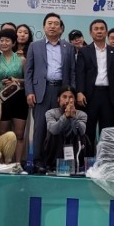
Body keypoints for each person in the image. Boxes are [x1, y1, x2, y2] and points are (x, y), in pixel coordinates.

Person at [25, 13, 75, 169]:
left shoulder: (68, 47)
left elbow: (72, 72)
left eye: (56, 24)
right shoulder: (34, 46)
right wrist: (29, 92)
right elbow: (28, 72)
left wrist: (71, 95)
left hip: (61, 92)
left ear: (61, 28)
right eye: (49, 23)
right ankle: (38, 162)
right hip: (41, 91)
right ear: (44, 27)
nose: (52, 26)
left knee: (60, 126)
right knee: (40, 128)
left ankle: (54, 162)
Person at [75, 18, 114, 154]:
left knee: (107, 130)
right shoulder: (84, 51)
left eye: (102, 29)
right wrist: (79, 92)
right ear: (91, 33)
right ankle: (87, 160)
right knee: (88, 129)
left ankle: (105, 159)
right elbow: (80, 74)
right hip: (89, 96)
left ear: (106, 32)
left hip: (109, 96)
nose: (99, 31)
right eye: (96, 29)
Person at [0, 28, 27, 162]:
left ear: (13, 43)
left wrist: (17, 81)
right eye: (1, 40)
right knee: (2, 133)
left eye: (7, 40)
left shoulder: (22, 60)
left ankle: (18, 163)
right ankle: (4, 164)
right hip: (2, 99)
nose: (4, 43)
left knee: (19, 134)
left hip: (19, 98)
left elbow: (28, 81)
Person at [42, 87, 88, 169]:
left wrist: (73, 117)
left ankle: (77, 163)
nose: (67, 101)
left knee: (82, 136)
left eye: (70, 97)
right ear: (58, 99)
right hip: (56, 147)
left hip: (73, 145)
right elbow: (53, 130)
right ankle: (53, 164)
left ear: (75, 100)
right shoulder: (50, 113)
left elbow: (82, 131)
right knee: (54, 134)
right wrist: (65, 116)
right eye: (64, 97)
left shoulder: (82, 114)